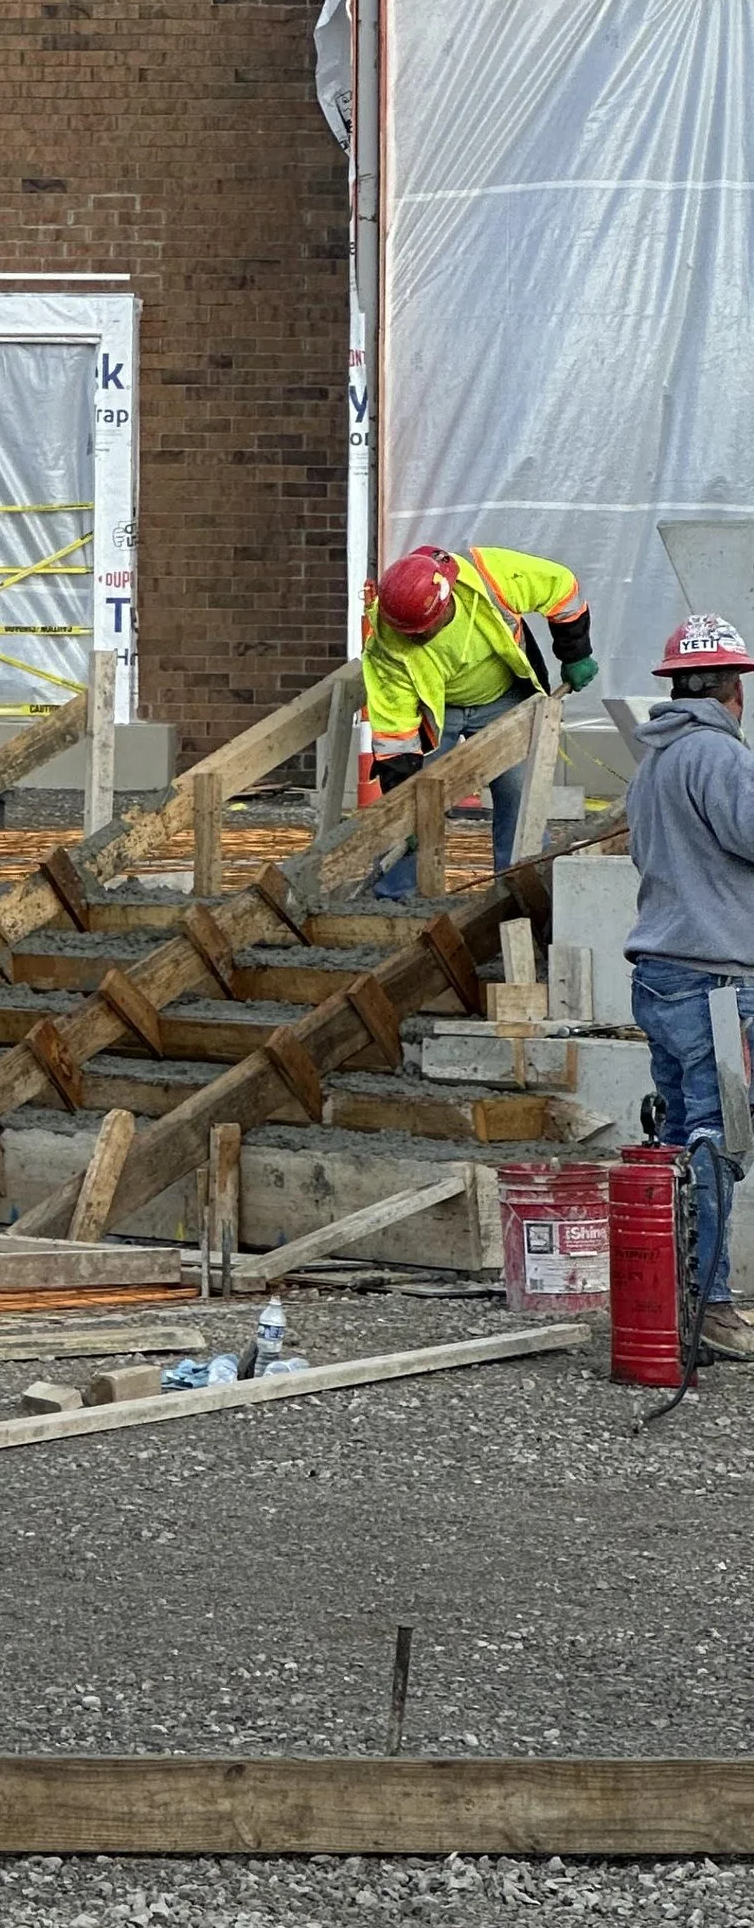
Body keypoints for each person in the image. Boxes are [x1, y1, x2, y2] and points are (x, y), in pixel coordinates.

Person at [624, 613, 754, 1361]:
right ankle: (713, 1304)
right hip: (712, 980)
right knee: (715, 1138)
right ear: (733, 690)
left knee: (681, 1136)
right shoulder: (718, 755)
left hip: (664, 973)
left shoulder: (656, 764)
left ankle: (673, 1300)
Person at [362, 543, 599, 903]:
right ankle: (397, 899)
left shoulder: (492, 576)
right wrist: (404, 808)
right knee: (414, 805)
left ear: (445, 602)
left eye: (423, 632)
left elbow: (561, 586)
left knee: (519, 797)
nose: (415, 640)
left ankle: (523, 891)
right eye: (408, 634)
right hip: (435, 712)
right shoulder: (387, 643)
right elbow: (395, 735)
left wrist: (576, 652)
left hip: (503, 698)